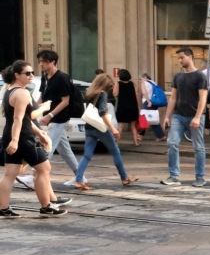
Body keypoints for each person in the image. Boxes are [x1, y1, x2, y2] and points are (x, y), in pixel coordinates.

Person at [1, 61, 66, 217]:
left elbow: (23, 120)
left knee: (10, 173)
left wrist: (39, 133)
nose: (31, 76)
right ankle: (46, 206)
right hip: (23, 138)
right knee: (44, 170)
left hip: (12, 135)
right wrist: (43, 108)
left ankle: (2, 208)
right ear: (17, 75)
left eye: (32, 73)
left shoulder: (10, 91)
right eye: (27, 73)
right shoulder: (22, 93)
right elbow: (20, 119)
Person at [72, 73, 140, 191]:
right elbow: (102, 113)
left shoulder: (90, 94)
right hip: (99, 128)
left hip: (89, 127)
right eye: (108, 86)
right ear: (105, 84)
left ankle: (78, 180)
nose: (109, 89)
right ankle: (124, 177)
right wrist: (113, 129)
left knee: (87, 155)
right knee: (115, 151)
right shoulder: (102, 94)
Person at [161, 48, 207, 186]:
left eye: (182, 58)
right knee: (172, 142)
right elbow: (173, 98)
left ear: (190, 57)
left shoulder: (200, 76)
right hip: (179, 116)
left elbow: (203, 98)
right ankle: (174, 176)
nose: (180, 60)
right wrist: (167, 117)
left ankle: (200, 177)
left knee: (198, 147)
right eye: (178, 58)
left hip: (194, 115)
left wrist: (197, 117)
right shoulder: (178, 76)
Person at [34, 50, 81, 184]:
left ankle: (34, 177)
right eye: (40, 61)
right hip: (50, 117)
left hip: (59, 118)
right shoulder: (45, 77)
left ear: (53, 62)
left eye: (44, 61)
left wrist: (50, 115)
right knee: (64, 150)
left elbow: (65, 101)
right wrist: (34, 109)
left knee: (47, 146)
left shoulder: (62, 78)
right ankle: (80, 176)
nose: (41, 64)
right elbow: (42, 96)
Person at [113, 69, 144, 146]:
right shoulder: (132, 84)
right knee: (133, 126)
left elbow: (115, 94)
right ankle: (136, 142)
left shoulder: (118, 83)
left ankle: (116, 143)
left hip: (122, 107)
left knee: (121, 125)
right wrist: (138, 106)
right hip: (133, 107)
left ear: (120, 76)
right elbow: (137, 95)